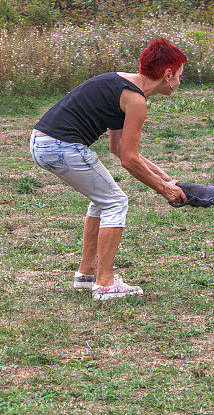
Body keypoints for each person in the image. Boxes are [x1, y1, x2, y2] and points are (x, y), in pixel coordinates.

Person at [29, 37, 188, 301]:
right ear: (168, 74)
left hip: (41, 143)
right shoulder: (136, 101)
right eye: (180, 75)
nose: (180, 82)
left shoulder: (121, 84)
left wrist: (164, 177)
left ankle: (87, 273)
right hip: (61, 146)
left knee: (102, 200)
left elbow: (118, 149)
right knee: (115, 202)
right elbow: (128, 159)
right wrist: (164, 190)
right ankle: (104, 284)